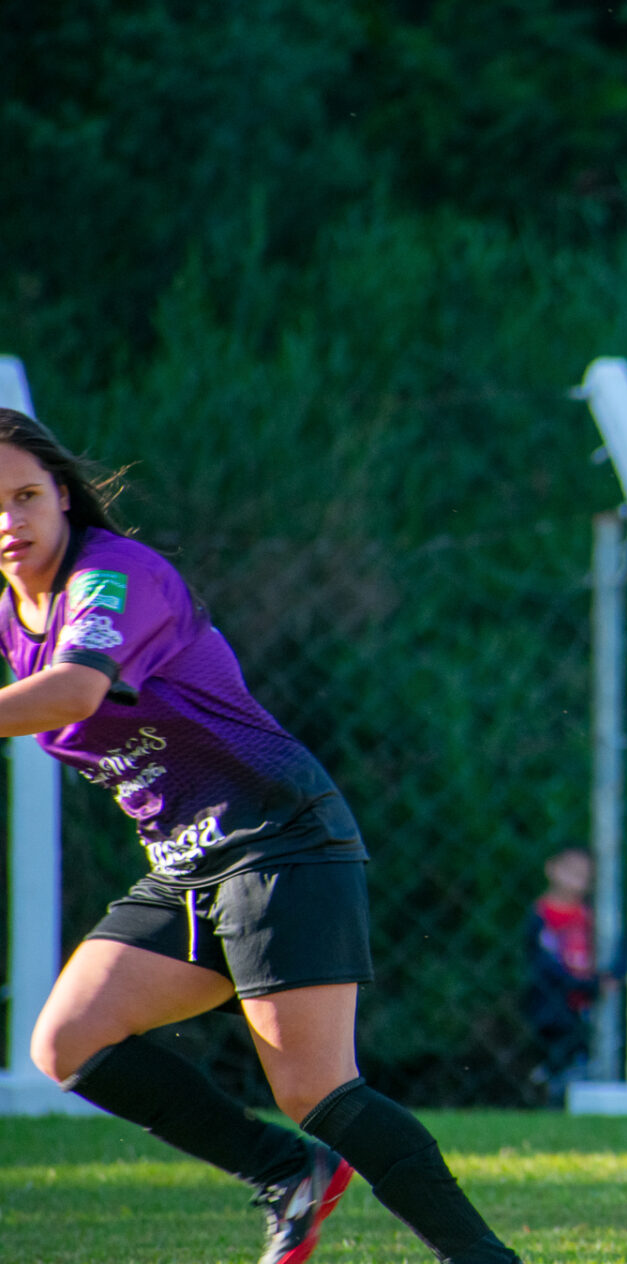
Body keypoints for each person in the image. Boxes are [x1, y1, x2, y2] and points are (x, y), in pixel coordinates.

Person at [7, 409, 520, 1264]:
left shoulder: (113, 575)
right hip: (186, 866)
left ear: (62, 495)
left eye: (26, 496)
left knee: (317, 1087)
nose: (10, 522)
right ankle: (289, 1175)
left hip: (279, 840)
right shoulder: (12, 610)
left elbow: (73, 694)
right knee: (67, 1041)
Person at [522, 846, 618, 1106]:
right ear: (552, 869)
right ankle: (550, 1087)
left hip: (586, 1003)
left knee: (585, 1051)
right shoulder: (541, 915)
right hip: (556, 1004)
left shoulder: (593, 917)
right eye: (571, 871)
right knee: (560, 1051)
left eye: (584, 873)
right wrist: (583, 984)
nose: (578, 879)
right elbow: (544, 965)